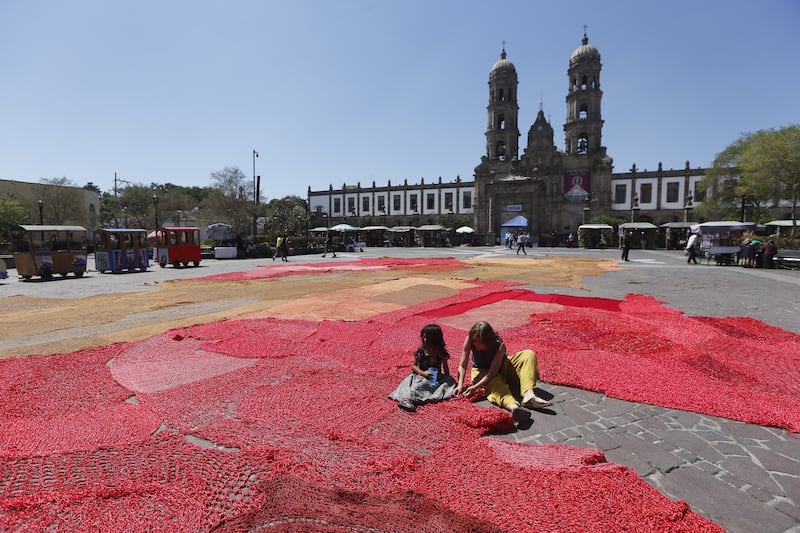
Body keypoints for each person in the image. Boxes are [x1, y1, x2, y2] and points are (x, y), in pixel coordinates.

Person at [454, 321, 551, 424]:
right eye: (474, 341)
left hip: (502, 366)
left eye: (479, 342)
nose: (475, 344)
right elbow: (463, 364)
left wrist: (475, 387)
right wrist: (461, 384)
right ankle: (514, 407)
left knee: (528, 354)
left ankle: (529, 395)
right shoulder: (470, 339)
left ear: (487, 341)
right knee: (496, 383)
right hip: (482, 371)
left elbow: (492, 371)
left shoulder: (499, 345)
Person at [389, 324, 457, 412]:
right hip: (422, 375)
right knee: (419, 386)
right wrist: (422, 373)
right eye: (423, 337)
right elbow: (413, 366)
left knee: (449, 381)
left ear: (434, 339)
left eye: (426, 337)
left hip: (435, 377)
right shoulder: (422, 351)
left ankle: (425, 396)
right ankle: (409, 399)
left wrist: (447, 380)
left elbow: (445, 367)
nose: (423, 339)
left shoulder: (441, 352)